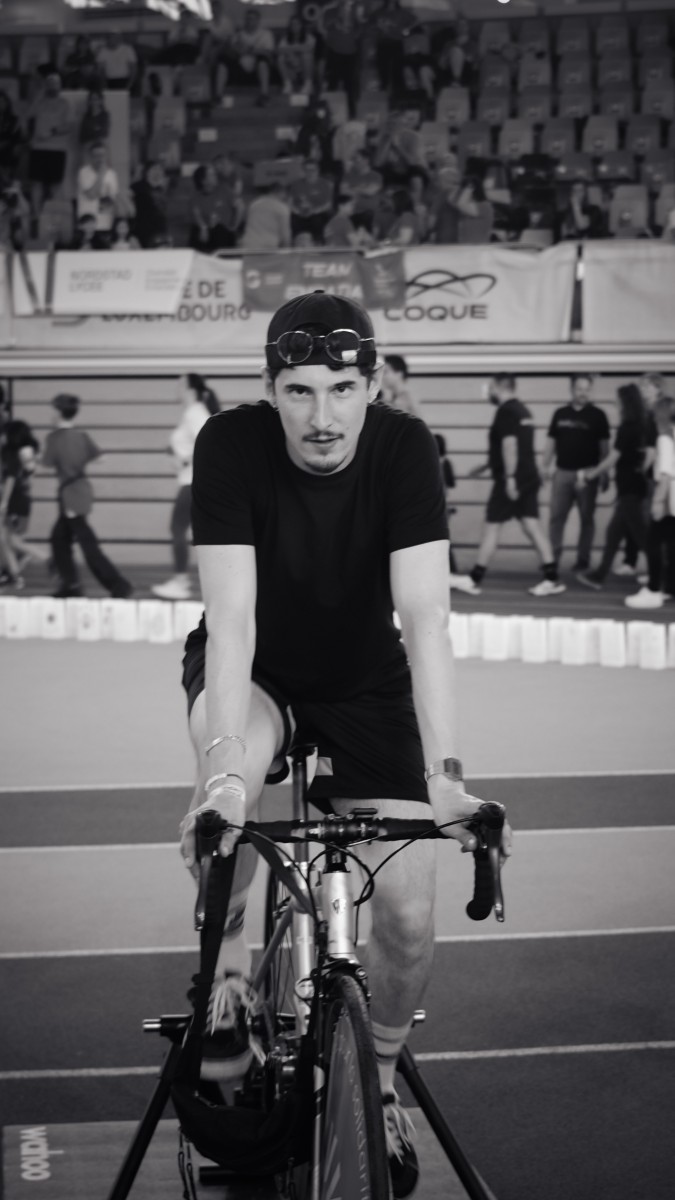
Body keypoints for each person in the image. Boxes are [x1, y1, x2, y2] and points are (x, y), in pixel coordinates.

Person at [177, 291, 512, 1199]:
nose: (321, 416)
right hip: (259, 673)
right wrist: (223, 775)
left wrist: (446, 782)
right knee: (228, 798)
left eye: (341, 389)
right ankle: (231, 978)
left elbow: (426, 618)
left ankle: (382, 1080)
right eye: (298, 390)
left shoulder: (403, 447)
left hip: (367, 682)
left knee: (405, 917)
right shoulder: (229, 444)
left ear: (373, 385)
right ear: (270, 389)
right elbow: (232, 619)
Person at [464, 374, 566, 597]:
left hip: (511, 480)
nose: (489, 392)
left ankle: (474, 579)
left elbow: (510, 445)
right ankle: (552, 578)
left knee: (492, 526)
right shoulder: (523, 411)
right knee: (532, 525)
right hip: (527, 477)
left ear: (501, 387)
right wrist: (486, 466)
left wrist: (509, 478)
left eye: (491, 387)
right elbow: (514, 447)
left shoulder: (506, 411)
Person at [42, 393, 132, 599]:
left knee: (86, 543)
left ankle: (117, 585)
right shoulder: (81, 436)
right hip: (81, 491)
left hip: (69, 495)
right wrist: (80, 461)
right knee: (59, 539)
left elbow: (46, 463)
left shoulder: (54, 438)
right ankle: (71, 584)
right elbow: (101, 458)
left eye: (53, 410)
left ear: (59, 412)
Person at [577, 384, 653, 592]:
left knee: (641, 536)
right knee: (613, 533)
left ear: (625, 402)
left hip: (629, 489)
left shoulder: (627, 428)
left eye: (617, 399)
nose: (614, 402)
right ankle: (599, 575)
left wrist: (591, 474)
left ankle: (664, 575)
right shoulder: (642, 425)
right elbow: (647, 455)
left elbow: (613, 458)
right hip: (632, 488)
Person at [152, 375, 220, 602]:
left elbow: (210, 443)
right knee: (194, 531)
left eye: (180, 385)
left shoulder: (195, 413)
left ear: (190, 389)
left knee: (178, 529)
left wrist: (182, 460)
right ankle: (187, 581)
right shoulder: (192, 413)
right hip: (192, 480)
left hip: (193, 481)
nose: (176, 389)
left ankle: (181, 583)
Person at [542, 374, 611, 572]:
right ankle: (552, 558)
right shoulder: (560, 413)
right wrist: (544, 465)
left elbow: (605, 448)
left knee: (586, 518)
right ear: (572, 390)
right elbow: (551, 442)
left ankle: (583, 559)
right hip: (562, 473)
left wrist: (604, 473)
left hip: (587, 474)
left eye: (587, 389)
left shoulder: (598, 415)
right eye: (580, 389)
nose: (583, 393)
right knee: (556, 517)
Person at [625, 396, 675, 609]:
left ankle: (653, 590)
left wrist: (658, 501)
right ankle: (670, 587)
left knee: (653, 541)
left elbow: (665, 474)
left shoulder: (664, 439)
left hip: (668, 498)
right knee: (671, 544)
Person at [0, 418, 46, 589]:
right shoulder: (25, 453)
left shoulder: (13, 454)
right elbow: (32, 471)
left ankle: (48, 559)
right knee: (5, 539)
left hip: (15, 501)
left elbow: (11, 479)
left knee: (12, 541)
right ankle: (14, 575)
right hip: (22, 499)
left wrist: (4, 502)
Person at [76, 142, 119, 238]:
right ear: (90, 157)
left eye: (102, 155)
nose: (100, 158)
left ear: (106, 156)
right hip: (87, 224)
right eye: (96, 155)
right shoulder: (84, 172)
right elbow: (91, 195)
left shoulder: (112, 174)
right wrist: (101, 174)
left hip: (106, 223)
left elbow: (112, 199)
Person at [240, 182, 291, 251]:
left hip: (249, 245)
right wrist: (287, 250)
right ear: (281, 193)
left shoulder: (254, 204)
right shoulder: (282, 208)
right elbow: (285, 233)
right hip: (268, 247)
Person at [277, 13, 316, 96]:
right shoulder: (286, 38)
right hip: (291, 68)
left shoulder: (309, 37)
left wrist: (290, 49)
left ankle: (308, 85)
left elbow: (308, 48)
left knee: (306, 55)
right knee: (281, 58)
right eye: (292, 24)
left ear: (302, 25)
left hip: (305, 68)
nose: (294, 26)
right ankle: (288, 85)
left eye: (297, 24)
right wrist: (291, 55)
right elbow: (279, 50)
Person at [380, 354, 425, 421]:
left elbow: (420, 423)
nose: (382, 376)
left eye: (385, 372)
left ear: (399, 373)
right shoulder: (388, 397)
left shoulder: (409, 397)